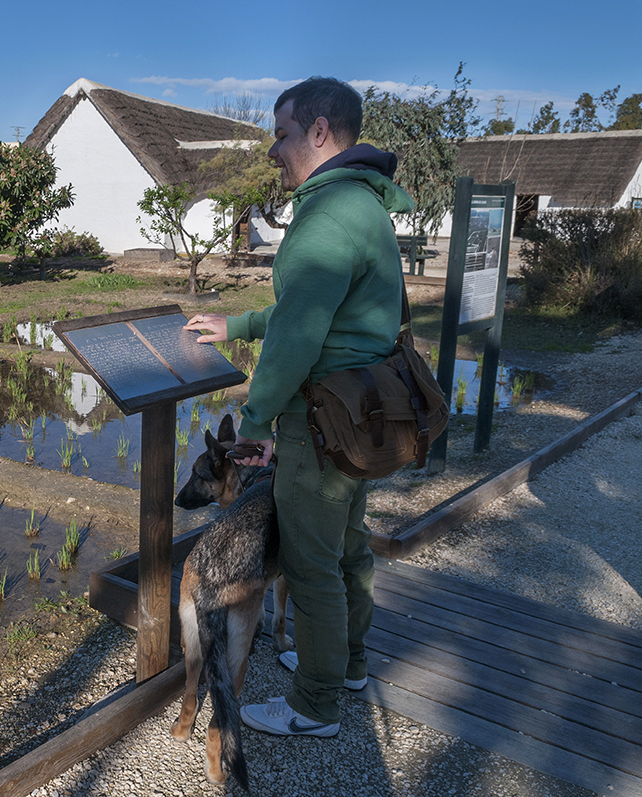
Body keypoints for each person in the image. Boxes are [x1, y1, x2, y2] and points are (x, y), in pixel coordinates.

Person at [183, 77, 414, 737]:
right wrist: (238, 324)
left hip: (319, 424)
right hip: (358, 419)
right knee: (347, 551)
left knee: (312, 565)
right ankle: (346, 664)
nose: (273, 150)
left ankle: (315, 704)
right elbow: (311, 310)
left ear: (318, 131)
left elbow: (298, 335)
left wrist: (254, 424)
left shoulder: (329, 214)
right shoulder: (362, 202)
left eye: (281, 134)